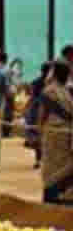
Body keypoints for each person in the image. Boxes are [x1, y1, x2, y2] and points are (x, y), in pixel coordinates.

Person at [38, 61, 73, 205]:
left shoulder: (49, 91)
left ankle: (52, 195)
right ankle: (64, 194)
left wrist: (39, 130)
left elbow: (42, 114)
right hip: (67, 133)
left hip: (53, 134)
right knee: (65, 165)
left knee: (51, 167)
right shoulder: (67, 92)